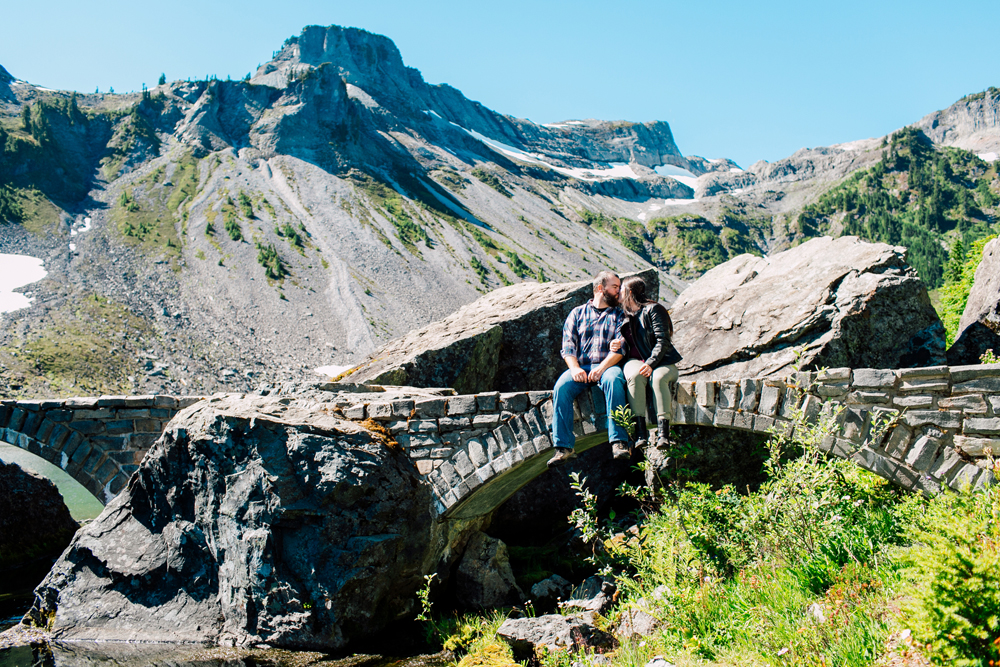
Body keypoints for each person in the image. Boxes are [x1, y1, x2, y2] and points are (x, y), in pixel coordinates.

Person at [548, 270, 631, 467]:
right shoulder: (577, 313)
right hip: (581, 366)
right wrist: (575, 368)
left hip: (608, 365)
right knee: (561, 387)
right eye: (615, 287)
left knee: (613, 380)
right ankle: (564, 447)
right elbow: (567, 346)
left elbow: (622, 347)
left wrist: (602, 368)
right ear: (601, 289)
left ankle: (619, 442)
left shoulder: (620, 315)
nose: (619, 292)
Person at [612, 275, 682, 452]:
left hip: (662, 361)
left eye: (620, 289)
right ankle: (640, 434)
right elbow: (626, 340)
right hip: (635, 361)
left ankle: (663, 434)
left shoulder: (654, 309)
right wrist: (615, 343)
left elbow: (663, 340)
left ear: (628, 291)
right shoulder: (625, 315)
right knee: (635, 376)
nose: (617, 292)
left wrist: (651, 363)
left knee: (658, 378)